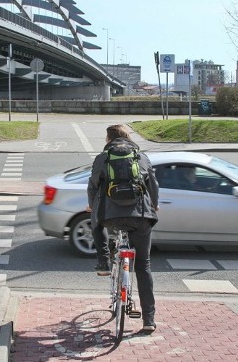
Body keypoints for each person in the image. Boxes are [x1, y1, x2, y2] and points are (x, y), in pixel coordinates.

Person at [86, 124, 160, 332]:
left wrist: (92, 206)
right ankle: (149, 320)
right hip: (141, 217)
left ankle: (103, 261)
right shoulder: (141, 157)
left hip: (111, 217)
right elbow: (153, 185)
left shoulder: (102, 158)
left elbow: (92, 185)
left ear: (109, 139)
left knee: (95, 219)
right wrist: (154, 206)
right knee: (143, 265)